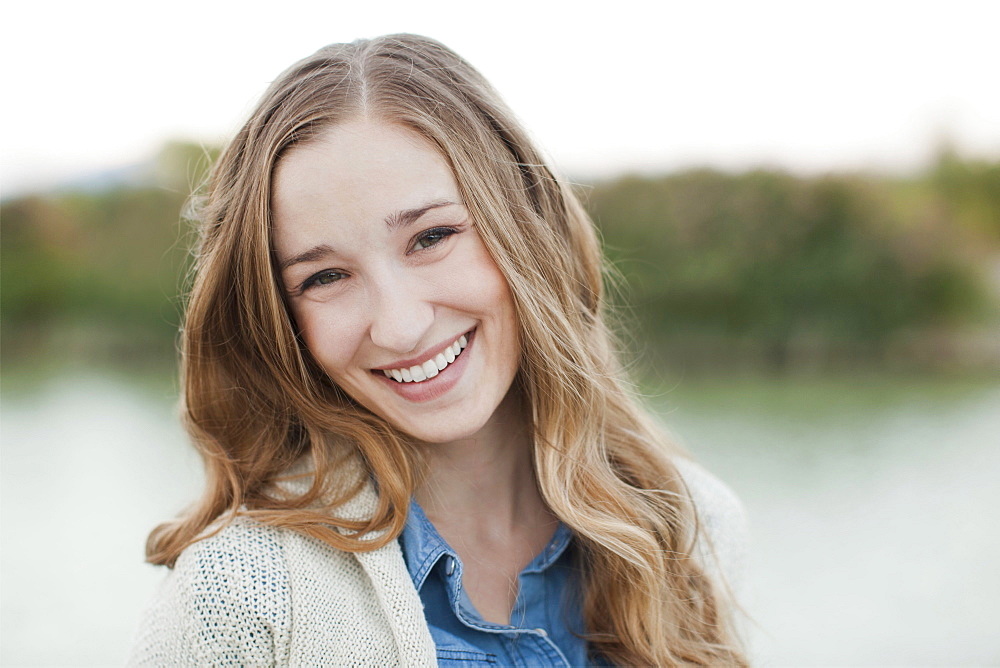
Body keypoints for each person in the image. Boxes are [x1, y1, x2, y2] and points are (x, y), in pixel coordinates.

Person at [129, 34, 748, 667]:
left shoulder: (689, 526)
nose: (398, 326)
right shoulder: (241, 594)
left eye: (432, 236)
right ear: (278, 319)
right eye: (323, 277)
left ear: (526, 224)